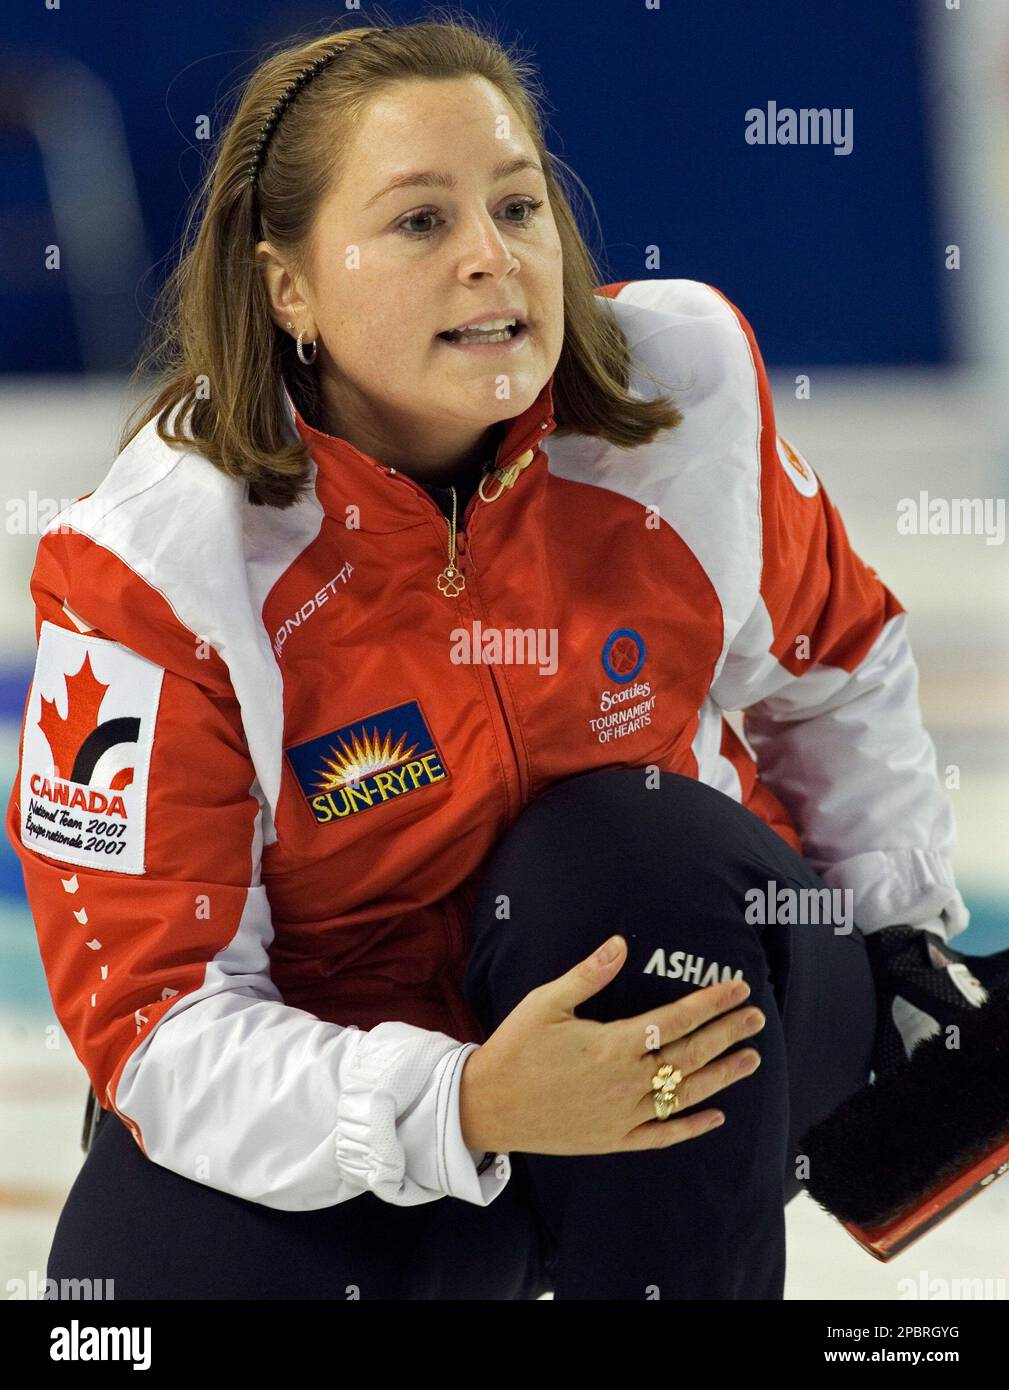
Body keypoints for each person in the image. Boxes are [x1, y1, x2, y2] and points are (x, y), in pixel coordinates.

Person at [5, 16, 970, 1300]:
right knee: (114, 1313)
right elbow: (158, 1022)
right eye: (419, 222)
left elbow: (835, 665)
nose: (491, 260)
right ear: (285, 284)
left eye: (518, 206)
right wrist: (464, 1101)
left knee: (627, 851)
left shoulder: (680, 389)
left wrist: (900, 927)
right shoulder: (152, 569)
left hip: (679, 984)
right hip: (370, 1076)